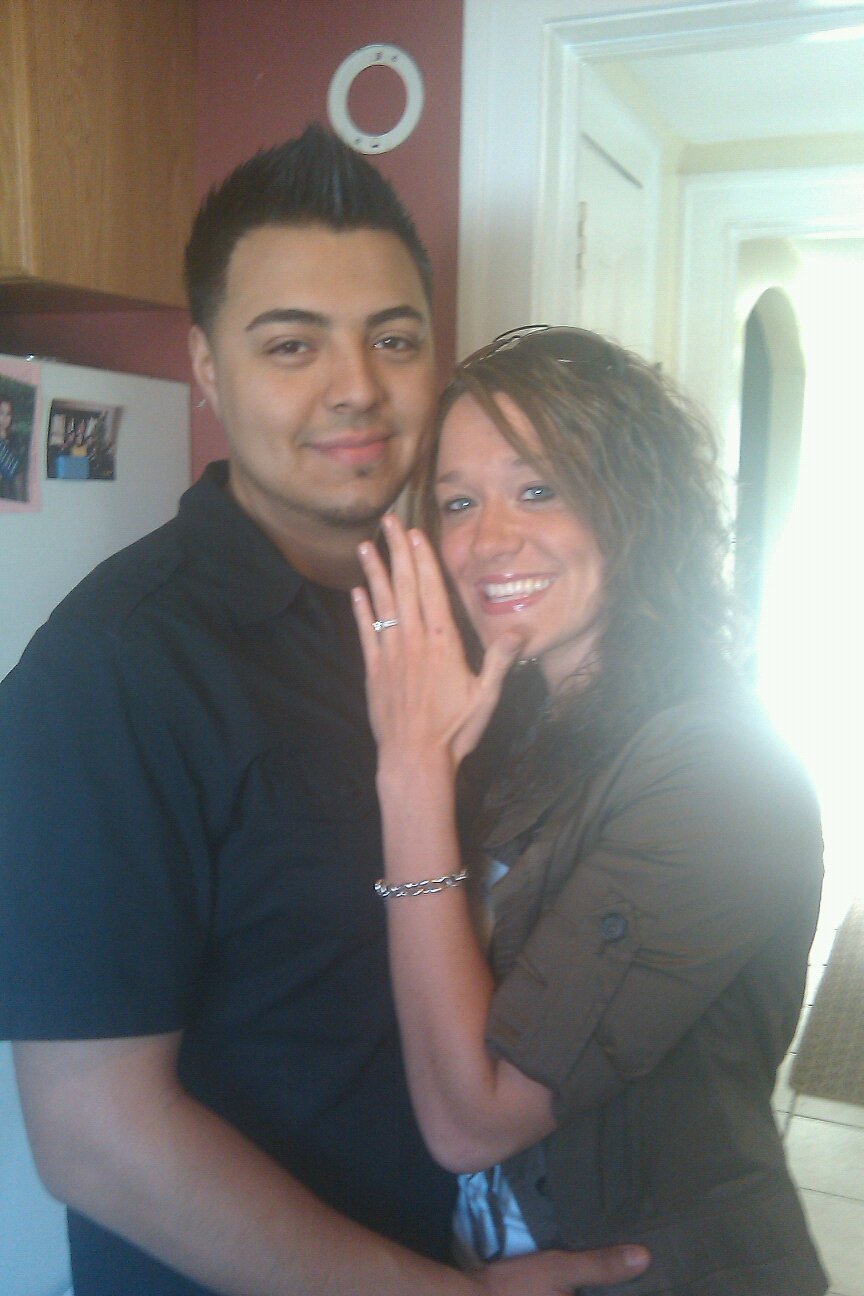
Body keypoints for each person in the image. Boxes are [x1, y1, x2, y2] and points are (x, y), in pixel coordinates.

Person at [0, 135, 650, 1296]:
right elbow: (94, 1138)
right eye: (291, 344)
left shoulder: (469, 607)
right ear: (206, 367)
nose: (356, 386)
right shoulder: (111, 671)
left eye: (393, 339)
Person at [352, 325, 828, 1294]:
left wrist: (409, 776)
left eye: (539, 488)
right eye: (458, 501)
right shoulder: (523, 724)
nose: (488, 539)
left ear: (636, 503)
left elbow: (472, 1122)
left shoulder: (722, 773)